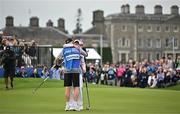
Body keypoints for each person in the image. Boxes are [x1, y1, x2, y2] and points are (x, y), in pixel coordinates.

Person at [55, 38, 87, 111]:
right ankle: (75, 105)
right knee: (76, 87)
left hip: (67, 70)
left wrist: (57, 64)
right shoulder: (78, 48)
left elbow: (58, 59)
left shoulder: (64, 49)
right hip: (76, 70)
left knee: (67, 87)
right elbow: (86, 54)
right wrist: (81, 49)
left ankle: (67, 105)